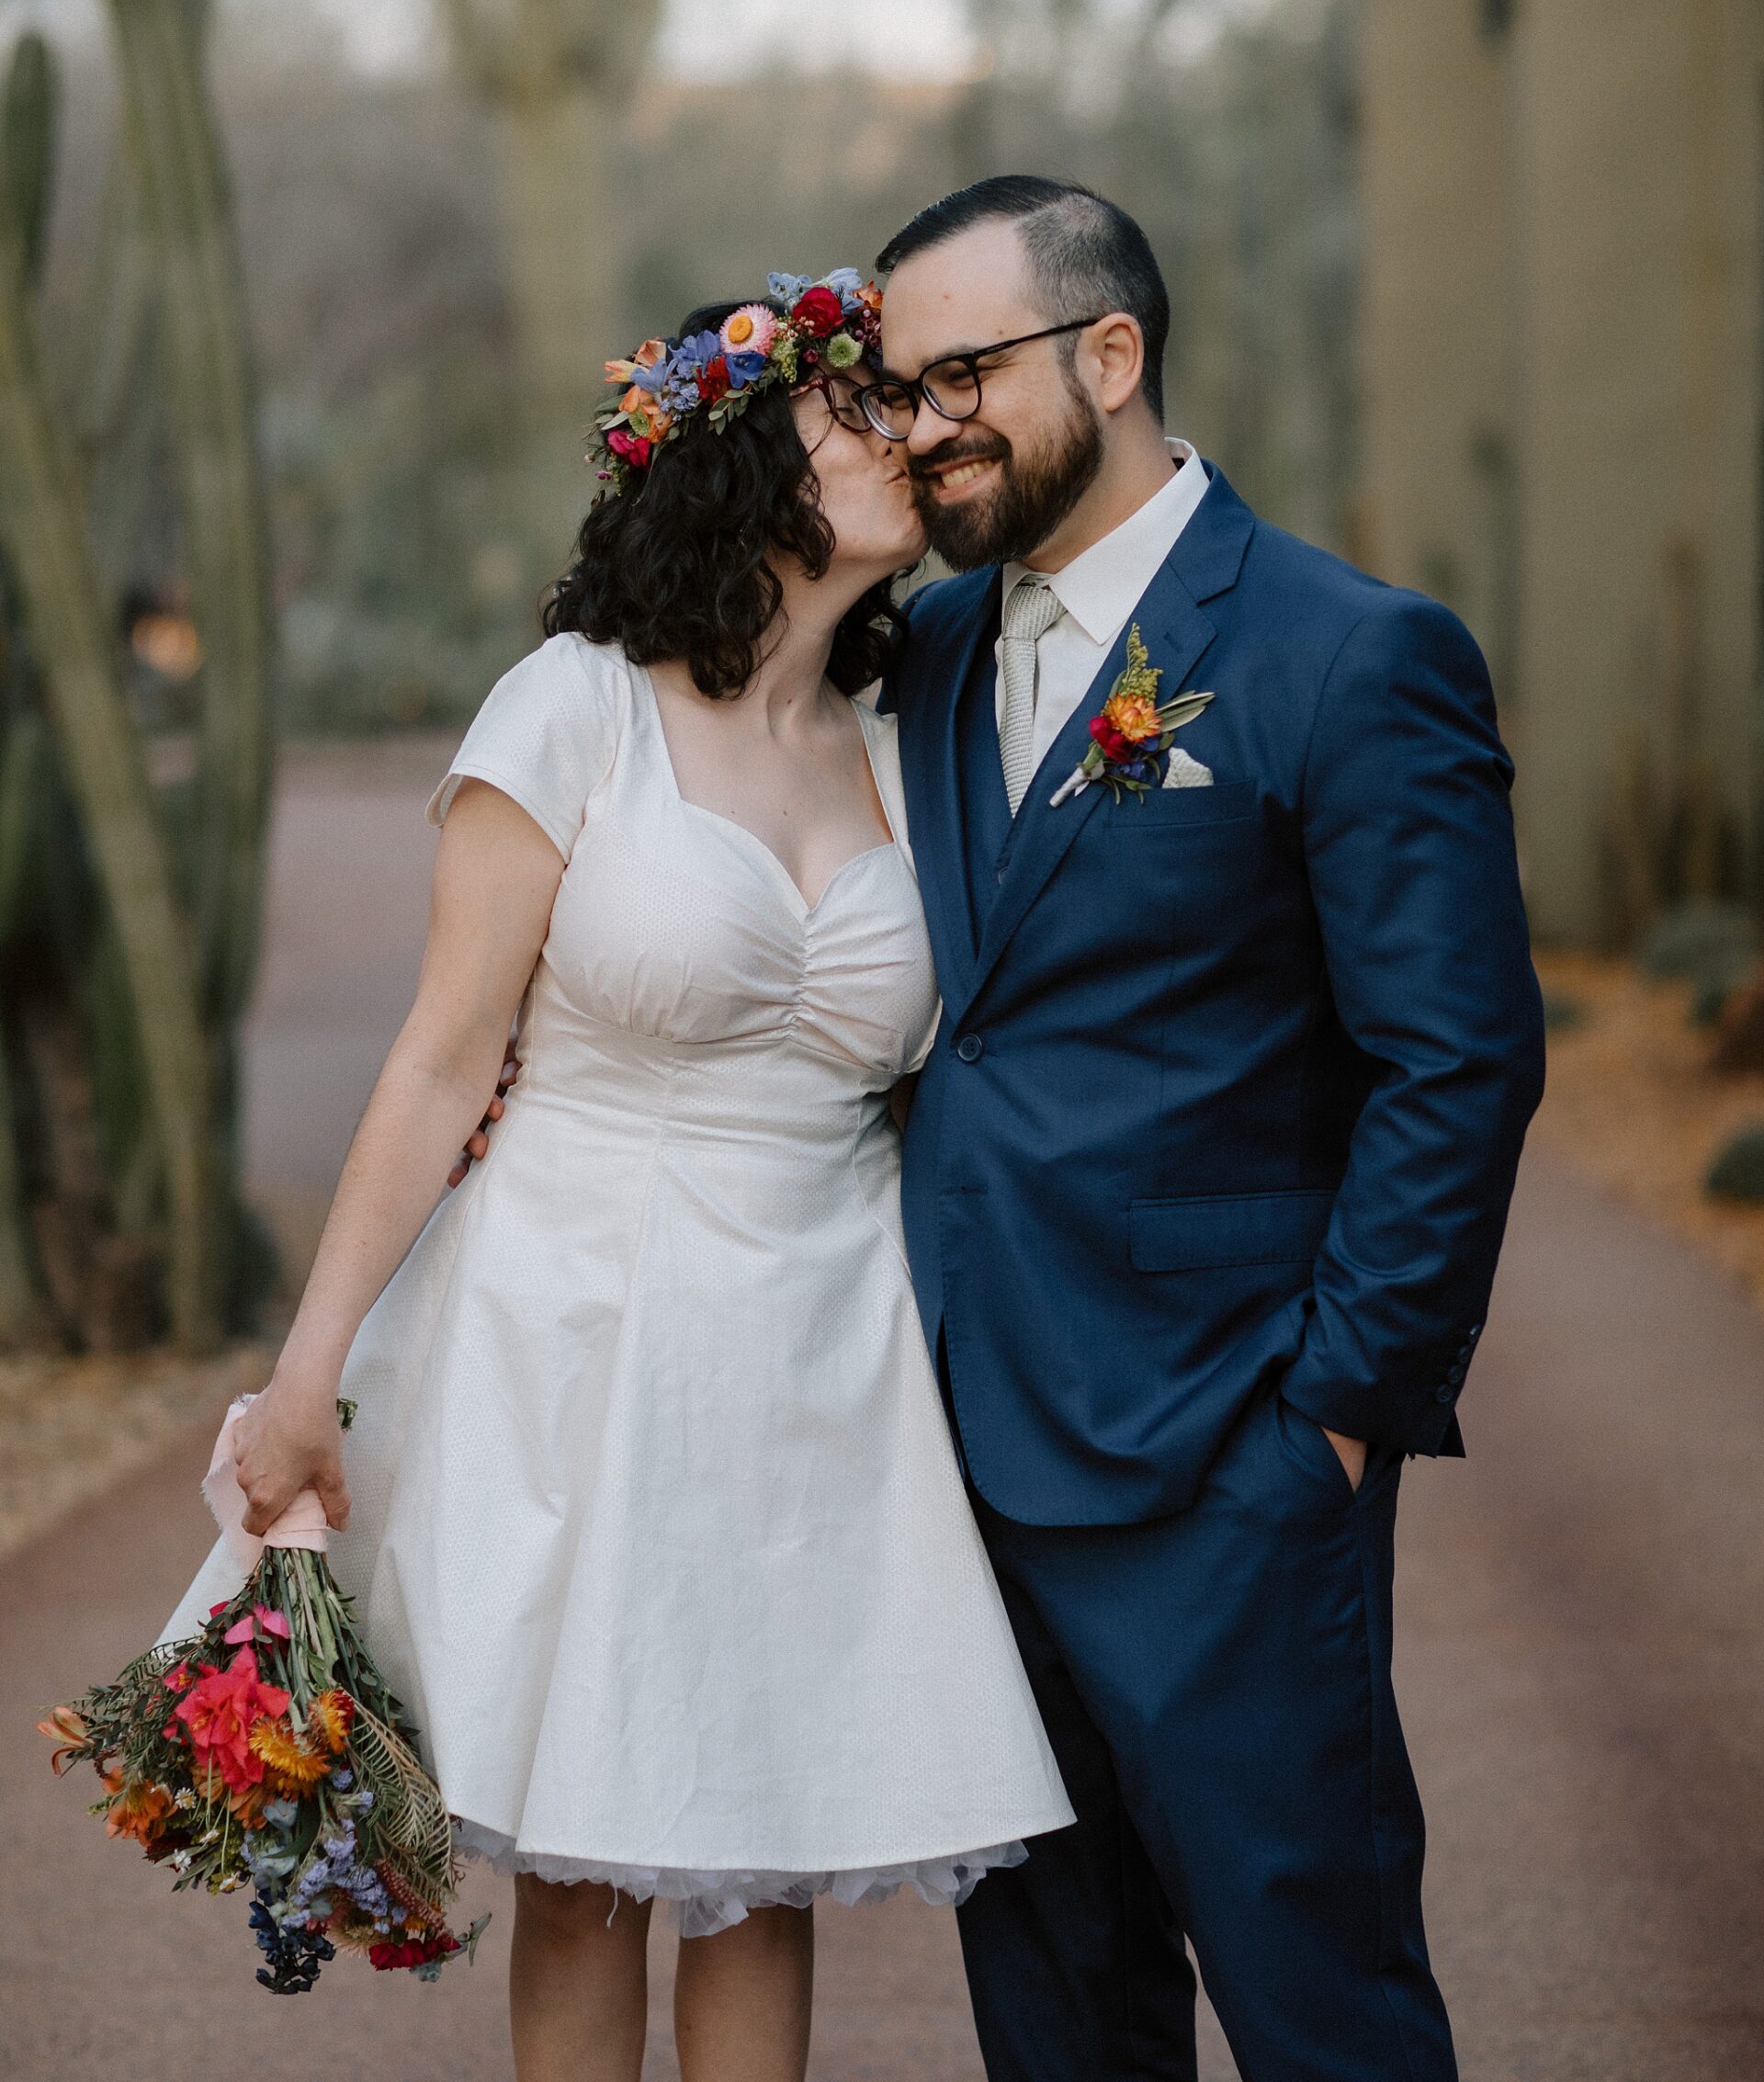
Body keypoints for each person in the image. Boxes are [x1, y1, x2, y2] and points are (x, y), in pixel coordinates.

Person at [160, 272, 1072, 2082]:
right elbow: (438, 1059)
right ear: (741, 460)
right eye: (857, 410)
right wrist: (308, 1370)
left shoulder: (910, 745)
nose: (906, 437)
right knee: (591, 1874)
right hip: (576, 1329)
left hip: (825, 1353)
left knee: (762, 1863)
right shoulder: (571, 709)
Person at [861, 177, 1547, 2082]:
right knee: (1058, 2013)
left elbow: (1461, 1060)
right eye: (903, 389)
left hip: (1228, 1463)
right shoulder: (918, 659)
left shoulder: (1349, 653)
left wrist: (1333, 1410)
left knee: (1317, 1997)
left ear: (1111, 350)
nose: (928, 425)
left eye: (963, 372)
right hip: (969, 1458)